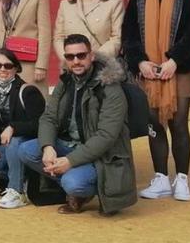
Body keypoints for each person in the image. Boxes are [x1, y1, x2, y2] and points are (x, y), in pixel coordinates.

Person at [19, 34, 137, 216]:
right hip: (68, 145)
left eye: (81, 55)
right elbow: (48, 117)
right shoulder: (65, 81)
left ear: (91, 56)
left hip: (100, 156)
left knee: (72, 183)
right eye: (70, 57)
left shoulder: (110, 86)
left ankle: (83, 191)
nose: (76, 61)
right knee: (26, 150)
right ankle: (73, 183)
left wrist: (70, 161)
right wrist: (48, 146)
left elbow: (106, 136)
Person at [122, 0, 190, 202]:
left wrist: (174, 60)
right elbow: (130, 35)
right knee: (154, 125)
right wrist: (141, 62)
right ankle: (160, 178)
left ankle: (181, 179)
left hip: (179, 69)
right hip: (148, 72)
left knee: (178, 124)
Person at [0, 49, 45, 209]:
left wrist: (13, 127)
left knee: (14, 142)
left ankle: (17, 192)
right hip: (6, 147)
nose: (2, 69)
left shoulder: (28, 92)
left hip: (27, 145)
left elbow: (41, 124)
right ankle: (21, 181)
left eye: (8, 65)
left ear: (16, 68)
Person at [54, 0, 124, 61]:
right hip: (74, 65)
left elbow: (117, 37)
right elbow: (59, 38)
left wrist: (94, 58)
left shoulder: (114, 2)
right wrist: (69, 59)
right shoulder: (65, 5)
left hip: (103, 64)